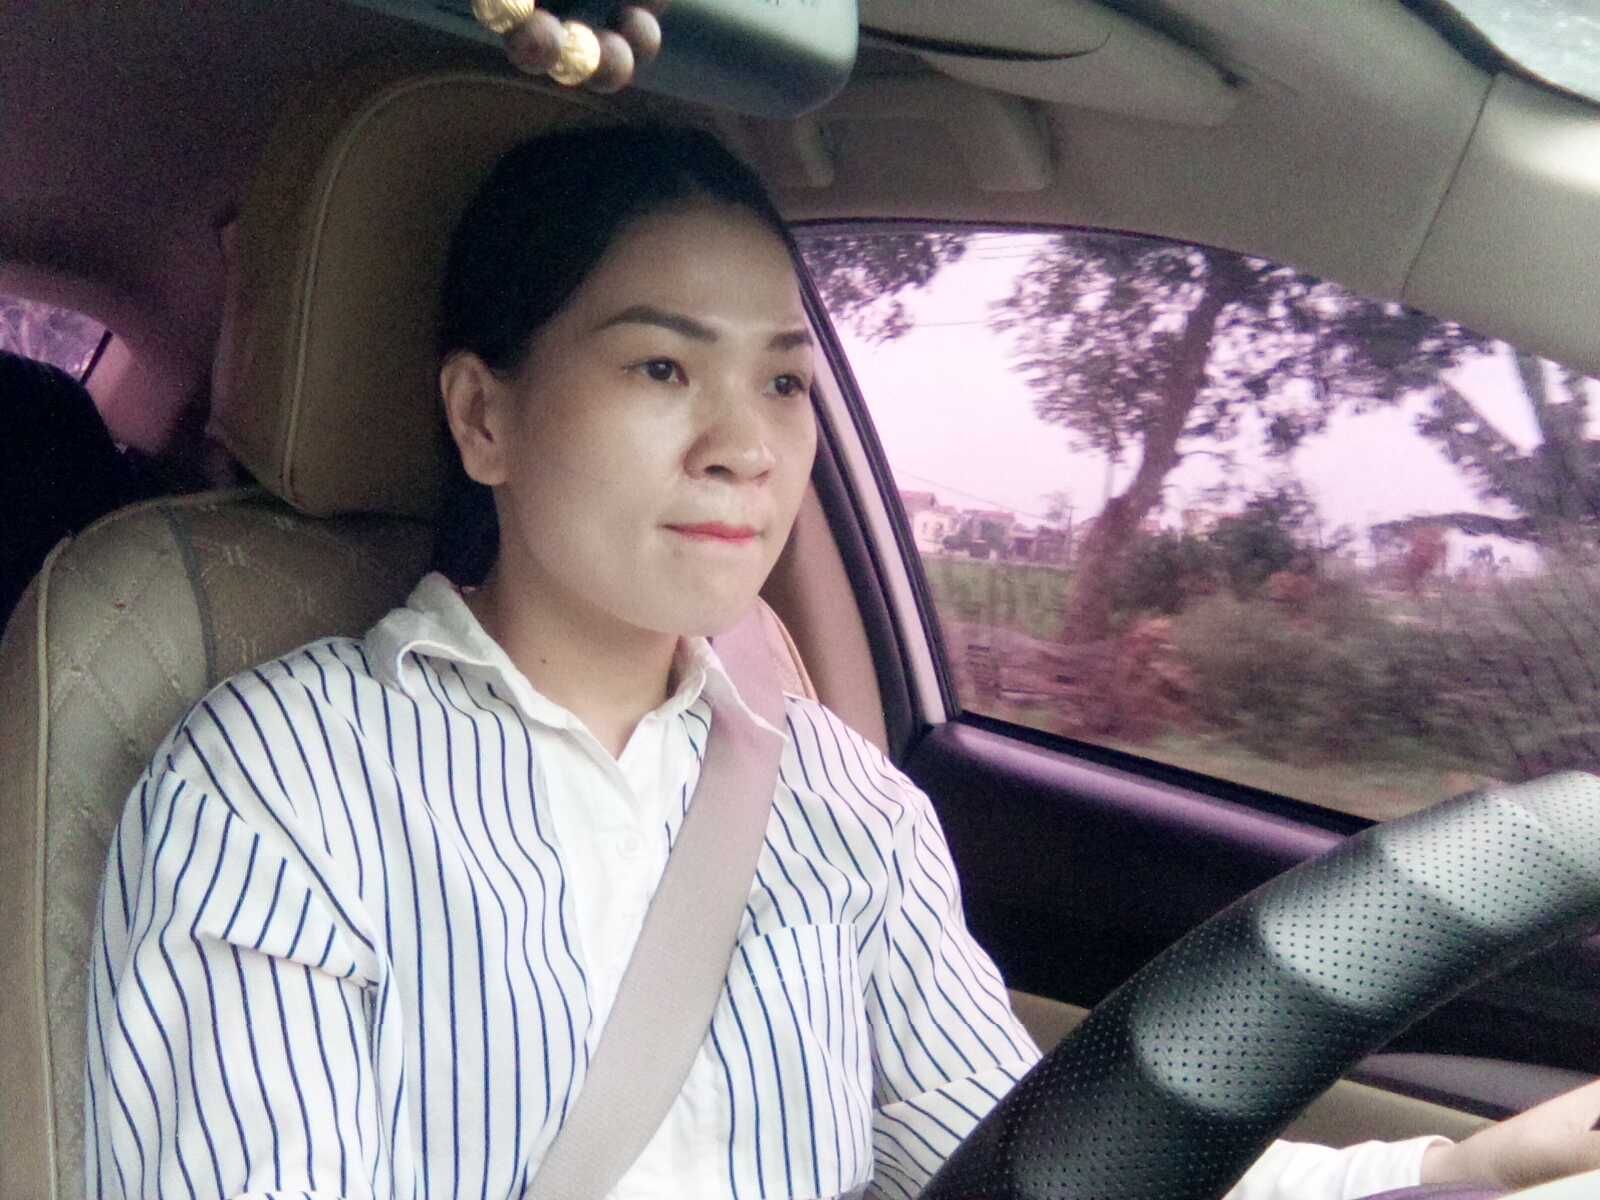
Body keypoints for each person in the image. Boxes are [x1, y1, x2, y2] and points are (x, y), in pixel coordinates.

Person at [85, 124, 1600, 1200]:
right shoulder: (280, 783)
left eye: (786, 381)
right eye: (662, 365)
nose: (747, 446)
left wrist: (1459, 1171)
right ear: (485, 416)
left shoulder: (837, 803)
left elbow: (1044, 1154)